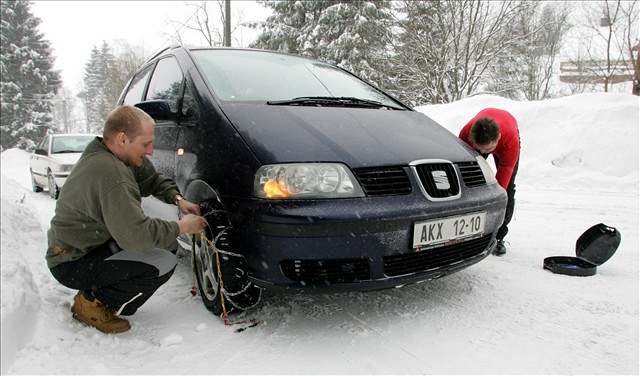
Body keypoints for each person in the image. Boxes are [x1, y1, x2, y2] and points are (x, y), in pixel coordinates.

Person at [46, 105, 207, 334]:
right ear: (122, 138)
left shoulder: (112, 153)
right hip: (71, 261)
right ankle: (92, 303)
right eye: (145, 144)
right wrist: (182, 226)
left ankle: (96, 289)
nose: (150, 150)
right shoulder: (111, 173)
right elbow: (136, 236)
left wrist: (177, 198)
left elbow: (151, 179)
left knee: (166, 244)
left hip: (83, 248)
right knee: (163, 262)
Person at [459, 108, 520, 256]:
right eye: (482, 149)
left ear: (498, 137)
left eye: (489, 149)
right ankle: (464, 231)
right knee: (468, 185)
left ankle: (498, 237)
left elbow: (502, 187)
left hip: (507, 138)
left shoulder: (510, 141)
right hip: (477, 142)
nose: (486, 153)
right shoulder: (465, 135)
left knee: (506, 191)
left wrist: (496, 202)